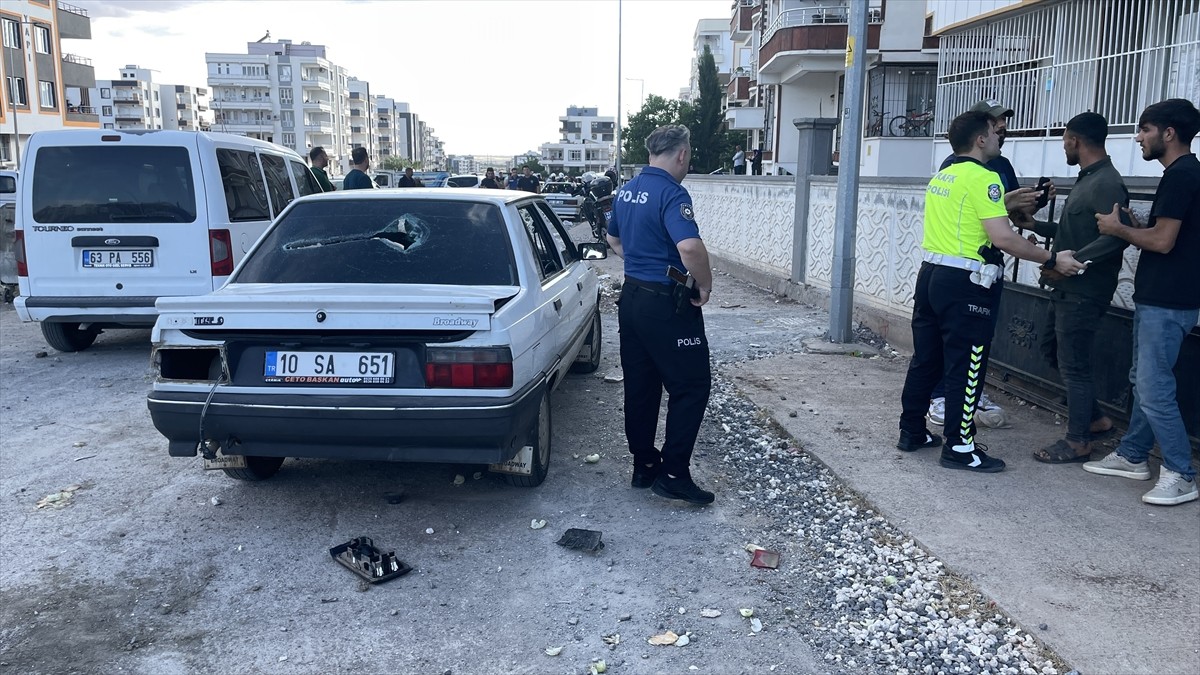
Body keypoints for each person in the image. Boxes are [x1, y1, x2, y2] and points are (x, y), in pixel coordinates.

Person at [897, 111, 1085, 473]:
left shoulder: (944, 175)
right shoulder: (985, 179)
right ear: (980, 140)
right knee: (967, 365)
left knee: (926, 359)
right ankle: (959, 447)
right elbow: (1003, 237)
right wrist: (1051, 258)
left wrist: (1011, 202)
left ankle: (912, 431)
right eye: (994, 132)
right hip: (968, 284)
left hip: (932, 275)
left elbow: (969, 217)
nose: (1000, 136)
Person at [1084, 98, 1200, 506]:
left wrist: (1118, 229)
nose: (1138, 137)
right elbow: (1169, 236)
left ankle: (1182, 474)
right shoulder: (1181, 174)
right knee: (1143, 380)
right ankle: (1134, 455)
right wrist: (1137, 226)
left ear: (1169, 133)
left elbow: (1163, 242)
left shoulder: (1183, 175)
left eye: (1145, 129)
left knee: (1153, 389)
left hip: (1169, 302)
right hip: (1159, 299)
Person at [606, 124, 715, 505]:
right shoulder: (672, 193)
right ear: (681, 154)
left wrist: (638, 262)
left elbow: (613, 240)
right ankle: (673, 474)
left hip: (632, 297)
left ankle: (644, 465)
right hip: (666, 303)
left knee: (641, 384)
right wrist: (704, 284)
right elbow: (689, 248)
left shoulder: (626, 190)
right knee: (691, 385)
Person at [1012, 113, 1129, 463]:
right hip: (1065, 289)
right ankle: (1095, 419)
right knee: (1053, 351)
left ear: (1075, 140)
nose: (1063, 144)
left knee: (1075, 365)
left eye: (1064, 138)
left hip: (1082, 291)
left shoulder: (1107, 183)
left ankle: (1078, 441)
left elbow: (1115, 239)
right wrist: (1037, 226)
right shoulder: (1088, 180)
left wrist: (1073, 267)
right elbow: (1073, 233)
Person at [927, 99, 1040, 429]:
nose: (1001, 127)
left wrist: (1027, 208)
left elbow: (1007, 218)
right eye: (995, 123)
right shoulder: (959, 168)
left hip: (986, 268)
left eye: (1004, 120)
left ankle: (967, 399)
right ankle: (949, 413)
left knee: (977, 344)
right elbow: (974, 211)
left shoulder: (1001, 166)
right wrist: (1048, 257)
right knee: (954, 343)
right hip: (964, 271)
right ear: (980, 132)